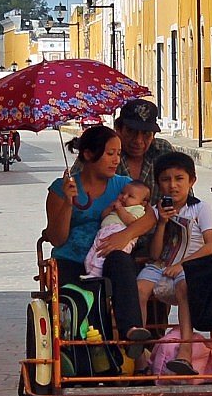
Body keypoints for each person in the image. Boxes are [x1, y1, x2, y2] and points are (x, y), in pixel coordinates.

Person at [42, 126, 155, 352]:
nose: (116, 160)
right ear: (88, 154)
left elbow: (150, 218)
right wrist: (68, 202)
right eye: (109, 154)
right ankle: (92, 351)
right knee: (84, 294)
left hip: (110, 252)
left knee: (122, 264)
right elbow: (57, 238)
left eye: (118, 154)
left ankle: (132, 331)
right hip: (72, 258)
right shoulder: (60, 188)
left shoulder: (124, 186)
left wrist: (124, 236)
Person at [121, 152, 212, 374]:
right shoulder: (155, 210)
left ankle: (185, 353)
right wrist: (161, 223)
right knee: (138, 288)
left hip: (190, 267)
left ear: (191, 181)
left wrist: (183, 264)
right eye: (166, 180)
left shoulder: (200, 209)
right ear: (158, 183)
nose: (173, 185)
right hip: (160, 265)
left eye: (179, 179)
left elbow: (210, 246)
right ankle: (139, 356)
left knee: (183, 286)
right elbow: (155, 253)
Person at [85, 182, 151, 278]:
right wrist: (109, 208)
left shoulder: (138, 209)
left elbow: (131, 222)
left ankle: (96, 275)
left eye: (130, 196)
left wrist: (120, 209)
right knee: (93, 253)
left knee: (105, 254)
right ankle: (89, 270)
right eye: (122, 193)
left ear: (142, 202)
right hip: (104, 231)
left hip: (121, 232)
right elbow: (103, 216)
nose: (124, 197)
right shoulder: (116, 206)